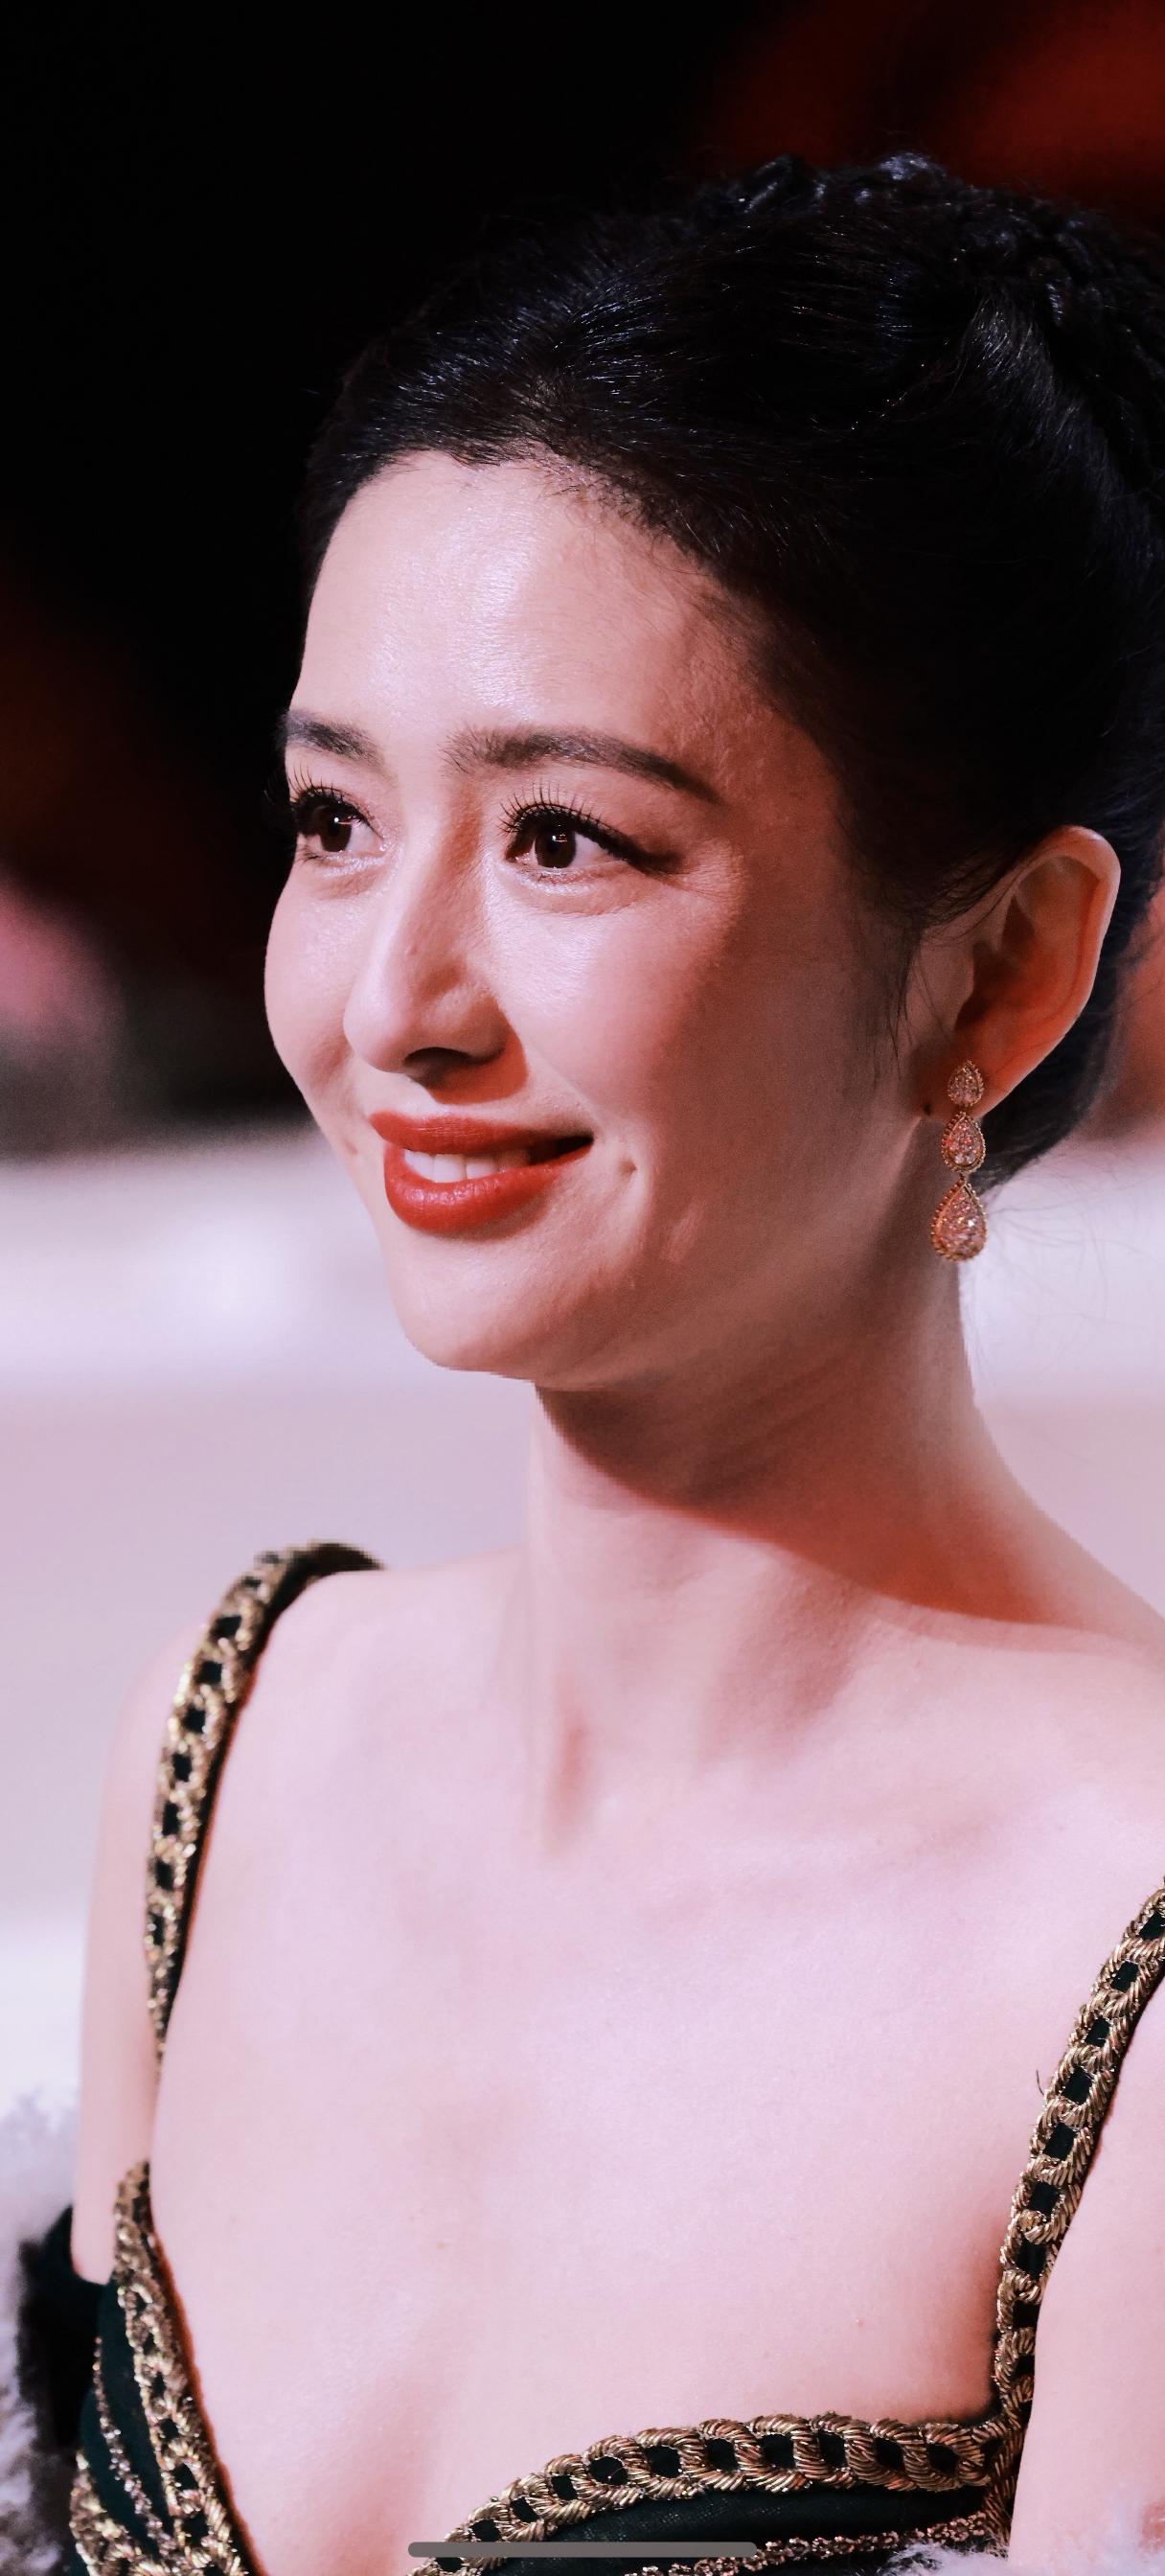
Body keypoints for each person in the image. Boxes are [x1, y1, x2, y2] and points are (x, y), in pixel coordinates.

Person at [15, 149, 1165, 2575]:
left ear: (996, 970)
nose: (392, 1004)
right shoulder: (235, 1741)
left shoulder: (1124, 1944)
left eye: (564, 841)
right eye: (334, 820)